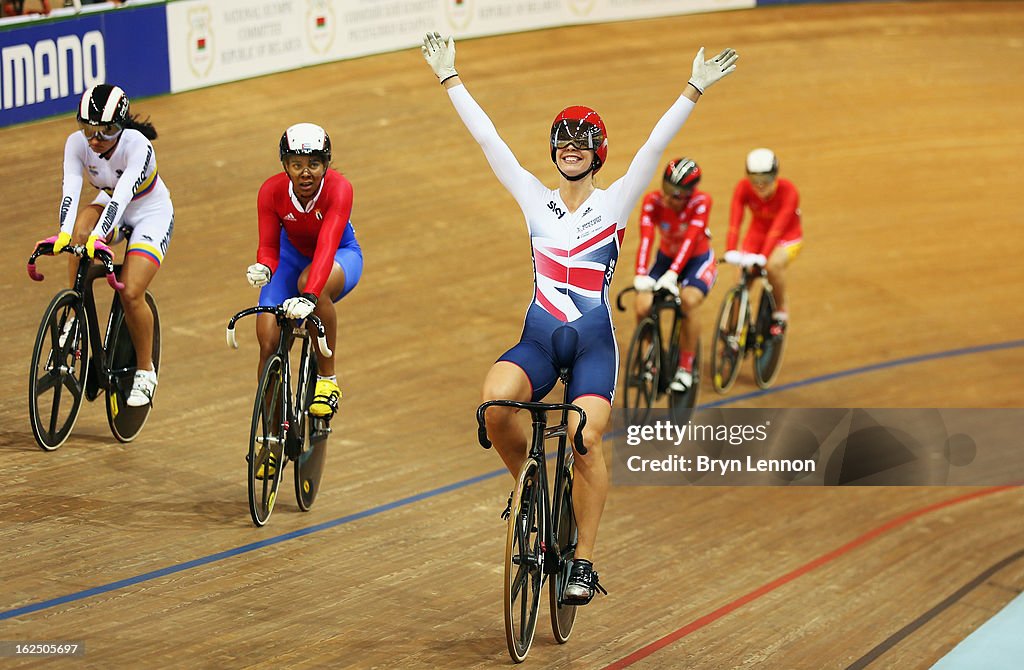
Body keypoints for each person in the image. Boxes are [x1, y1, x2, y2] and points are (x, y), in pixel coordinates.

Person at [421, 31, 737, 604]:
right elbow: (489, 140)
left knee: (583, 438)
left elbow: (652, 146)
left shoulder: (614, 201)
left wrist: (692, 88)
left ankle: (583, 561)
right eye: (563, 142)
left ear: (598, 153)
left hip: (592, 346)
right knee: (494, 407)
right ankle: (530, 487)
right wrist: (451, 79)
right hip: (538, 340)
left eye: (581, 143)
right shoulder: (532, 197)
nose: (570, 149)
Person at [51, 83, 172, 407]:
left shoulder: (137, 146)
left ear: (121, 127)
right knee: (78, 235)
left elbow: (122, 197)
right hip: (110, 203)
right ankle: (75, 316)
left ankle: (145, 371)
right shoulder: (75, 144)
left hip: (148, 212)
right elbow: (71, 190)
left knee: (131, 292)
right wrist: (65, 235)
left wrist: (99, 237)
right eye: (89, 129)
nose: (94, 139)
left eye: (105, 132)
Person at [245, 123, 362, 448]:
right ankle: (270, 437)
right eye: (296, 164)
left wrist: (309, 295)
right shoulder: (271, 191)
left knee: (309, 283)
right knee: (267, 339)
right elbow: (269, 245)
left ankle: (327, 379)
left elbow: (326, 245)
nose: (305, 172)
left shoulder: (339, 189)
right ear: (285, 165)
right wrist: (264, 267)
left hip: (339, 254)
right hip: (291, 258)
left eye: (313, 164)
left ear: (326, 164)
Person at [632, 157, 717, 392]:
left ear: (690, 193)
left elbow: (690, 241)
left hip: (696, 260)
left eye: (677, 194)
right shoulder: (653, 201)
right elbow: (646, 238)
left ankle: (686, 368)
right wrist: (641, 273)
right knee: (642, 305)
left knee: (689, 301)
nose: (669, 197)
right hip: (665, 259)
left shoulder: (701, 202)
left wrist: (673, 274)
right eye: (667, 189)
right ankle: (651, 356)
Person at [724, 148, 803, 335]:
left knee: (772, 266)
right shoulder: (743, 188)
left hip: (786, 237)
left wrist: (763, 257)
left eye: (765, 179)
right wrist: (730, 249)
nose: (759, 185)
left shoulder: (789, 191)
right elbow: (734, 223)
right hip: (757, 235)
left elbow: (777, 229)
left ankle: (780, 311)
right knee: (740, 279)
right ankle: (733, 331)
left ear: (775, 176)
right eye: (754, 180)